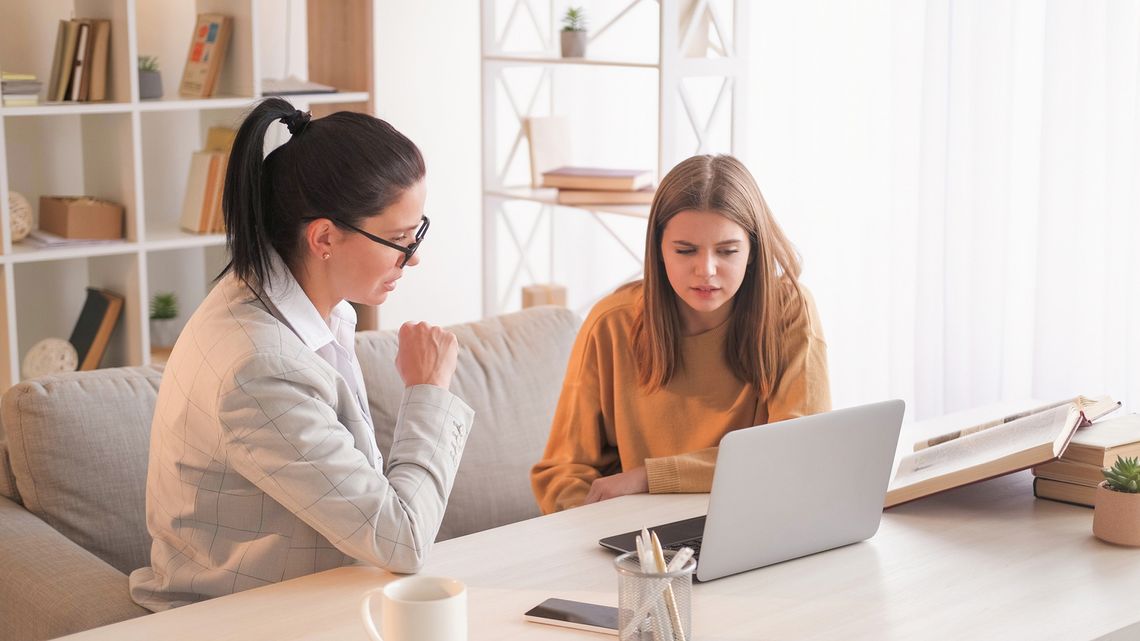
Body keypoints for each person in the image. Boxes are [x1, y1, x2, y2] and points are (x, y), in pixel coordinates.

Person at [129, 98, 474, 610]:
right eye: (401, 238)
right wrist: (429, 390)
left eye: (418, 231)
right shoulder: (261, 369)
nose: (414, 256)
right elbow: (402, 540)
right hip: (245, 620)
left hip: (313, 601)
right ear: (325, 237)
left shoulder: (291, 308)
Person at [531, 154, 831, 514]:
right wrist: (601, 539)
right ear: (658, 250)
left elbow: (798, 450)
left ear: (752, 251)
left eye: (727, 251)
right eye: (685, 250)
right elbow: (562, 473)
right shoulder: (611, 324)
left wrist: (648, 478)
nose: (705, 270)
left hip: (757, 520)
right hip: (641, 540)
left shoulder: (788, 311)